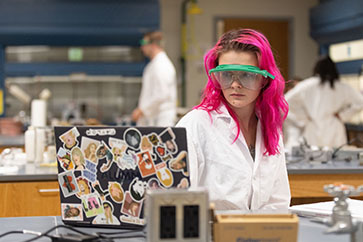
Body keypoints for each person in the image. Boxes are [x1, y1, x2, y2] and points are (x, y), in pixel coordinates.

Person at [176, 29, 290, 211]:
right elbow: (179, 199)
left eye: (247, 75)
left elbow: (278, 201)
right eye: (227, 75)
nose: (235, 84)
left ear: (264, 79)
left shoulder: (269, 127)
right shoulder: (196, 124)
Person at [285, 55, 363, 148]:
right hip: (334, 127)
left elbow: (285, 101)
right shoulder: (341, 86)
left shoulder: (307, 85)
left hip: (313, 128)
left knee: (312, 158)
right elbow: (360, 101)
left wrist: (303, 117)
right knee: (338, 159)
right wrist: (343, 116)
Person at [131, 31, 177, 126]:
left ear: (153, 44)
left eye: (144, 44)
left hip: (161, 120)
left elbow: (162, 93)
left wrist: (141, 110)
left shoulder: (162, 65)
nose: (142, 47)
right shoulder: (154, 64)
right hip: (154, 119)